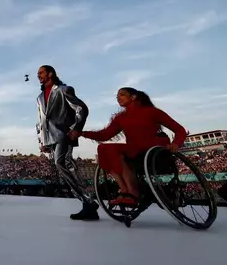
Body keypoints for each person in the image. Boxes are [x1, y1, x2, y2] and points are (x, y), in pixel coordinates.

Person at [70, 87, 187, 206]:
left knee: (112, 150)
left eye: (122, 95)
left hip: (153, 146)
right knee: (103, 149)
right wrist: (82, 133)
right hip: (134, 148)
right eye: (117, 96)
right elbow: (104, 135)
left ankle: (132, 191)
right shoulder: (121, 118)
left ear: (133, 97)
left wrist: (176, 143)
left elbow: (179, 130)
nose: (118, 98)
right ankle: (125, 189)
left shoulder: (152, 112)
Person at [36, 65, 99, 221]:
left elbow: (81, 108)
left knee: (61, 163)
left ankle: (88, 200)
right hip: (52, 137)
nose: (38, 75)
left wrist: (77, 128)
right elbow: (41, 120)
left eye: (41, 72)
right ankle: (88, 203)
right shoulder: (39, 97)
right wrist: (43, 140)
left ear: (50, 74)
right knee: (65, 164)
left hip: (65, 134)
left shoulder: (64, 90)